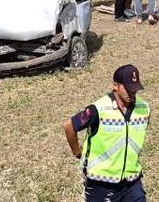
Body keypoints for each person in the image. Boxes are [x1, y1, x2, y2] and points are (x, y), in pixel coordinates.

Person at [63, 64, 151, 202]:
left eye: (135, 89)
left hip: (132, 180)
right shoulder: (98, 109)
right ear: (116, 86)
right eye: (128, 89)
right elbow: (69, 126)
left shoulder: (144, 108)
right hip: (101, 184)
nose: (132, 93)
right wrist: (78, 153)